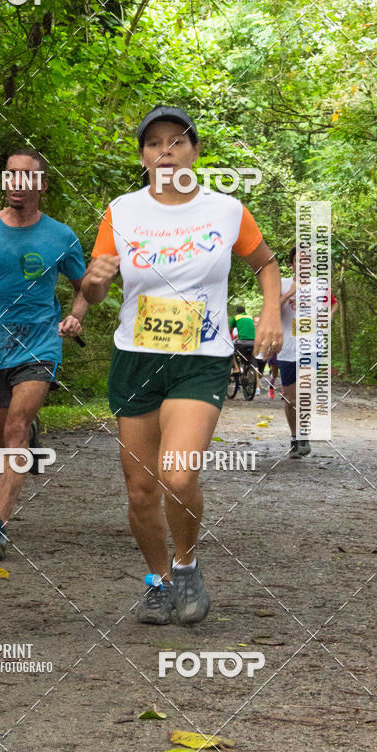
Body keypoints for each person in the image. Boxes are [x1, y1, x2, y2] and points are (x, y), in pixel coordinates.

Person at [82, 105, 283, 625]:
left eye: (177, 142)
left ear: (195, 151)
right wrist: (96, 280)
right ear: (143, 157)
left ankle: (187, 564)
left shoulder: (225, 210)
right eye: (154, 144)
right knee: (140, 488)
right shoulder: (121, 211)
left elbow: (265, 263)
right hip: (137, 356)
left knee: (176, 475)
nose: (165, 153)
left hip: (200, 358)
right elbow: (96, 290)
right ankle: (158, 579)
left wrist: (269, 315)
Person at [0, 149, 89, 558]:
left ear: (41, 185)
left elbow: (84, 288)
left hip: (40, 345)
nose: (17, 182)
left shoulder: (61, 236)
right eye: (11, 175)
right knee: (3, 437)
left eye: (27, 176)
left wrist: (75, 317)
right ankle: (28, 437)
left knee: (14, 428)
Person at [277, 245, 338, 457]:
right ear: (292, 263)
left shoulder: (320, 285)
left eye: (307, 260)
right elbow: (270, 310)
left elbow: (334, 304)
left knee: (305, 391)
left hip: (312, 345)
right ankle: (295, 437)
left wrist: (328, 316)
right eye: (298, 260)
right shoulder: (282, 284)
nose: (302, 263)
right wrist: (290, 293)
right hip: (287, 348)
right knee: (290, 399)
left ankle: (304, 435)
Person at [229, 304, 256, 392]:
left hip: (242, 342)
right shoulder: (250, 317)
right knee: (249, 359)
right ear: (245, 311)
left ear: (237, 312)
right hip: (253, 342)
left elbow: (230, 329)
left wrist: (229, 337)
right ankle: (249, 372)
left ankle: (237, 368)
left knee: (231, 351)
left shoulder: (236, 317)